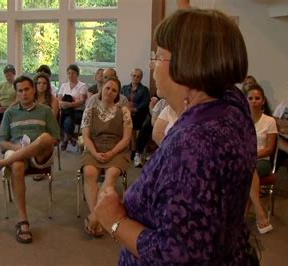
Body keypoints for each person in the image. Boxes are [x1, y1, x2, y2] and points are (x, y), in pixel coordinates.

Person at [93, 9, 256, 264]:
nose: (152, 64)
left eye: (159, 56)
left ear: (186, 65)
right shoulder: (232, 105)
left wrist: (115, 221)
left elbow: (179, 256)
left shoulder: (195, 145)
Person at [0, 75, 59, 244]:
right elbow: (2, 141)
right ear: (16, 93)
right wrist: (19, 149)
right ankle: (23, 221)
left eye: (27, 89)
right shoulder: (10, 113)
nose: (24, 94)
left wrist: (33, 147)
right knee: (17, 166)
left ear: (33, 90)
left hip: (41, 155)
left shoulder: (45, 110)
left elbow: (55, 138)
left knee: (45, 137)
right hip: (16, 150)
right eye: (20, 91)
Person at [80, 77, 132, 237]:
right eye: (108, 88)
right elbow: (86, 137)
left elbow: (126, 139)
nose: (110, 92)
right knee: (89, 172)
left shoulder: (124, 111)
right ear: (102, 89)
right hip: (94, 148)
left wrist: (111, 153)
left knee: (112, 173)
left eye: (114, 90)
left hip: (116, 149)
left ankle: (94, 217)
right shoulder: (90, 110)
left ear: (117, 94)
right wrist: (95, 153)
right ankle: (98, 217)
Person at [246, 84, 277, 234]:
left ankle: (257, 212)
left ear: (263, 101)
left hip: (262, 161)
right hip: (244, 161)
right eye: (250, 98)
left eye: (257, 98)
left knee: (248, 171)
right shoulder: (241, 120)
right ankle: (257, 213)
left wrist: (251, 155)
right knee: (244, 171)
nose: (254, 101)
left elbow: (269, 149)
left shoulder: (270, 121)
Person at [121, 68, 150, 163]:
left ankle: (133, 150)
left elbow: (145, 103)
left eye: (138, 76)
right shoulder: (124, 88)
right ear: (131, 76)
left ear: (141, 78)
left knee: (130, 123)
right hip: (125, 113)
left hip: (138, 115)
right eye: (134, 75)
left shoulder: (144, 90)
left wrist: (134, 109)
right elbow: (119, 100)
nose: (135, 78)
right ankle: (124, 148)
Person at [58, 64, 87, 150]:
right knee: (58, 118)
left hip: (77, 111)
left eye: (73, 73)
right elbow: (58, 99)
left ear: (77, 74)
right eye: (69, 73)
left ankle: (65, 140)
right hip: (64, 110)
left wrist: (70, 104)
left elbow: (82, 100)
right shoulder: (64, 86)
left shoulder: (82, 86)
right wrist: (63, 104)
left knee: (68, 121)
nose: (71, 75)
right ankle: (71, 138)